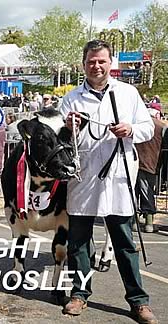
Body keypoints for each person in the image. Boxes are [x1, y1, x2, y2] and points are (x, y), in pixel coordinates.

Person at [60, 40, 158, 324]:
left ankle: (138, 301)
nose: (96, 66)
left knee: (125, 242)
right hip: (85, 176)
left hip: (118, 176)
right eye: (91, 61)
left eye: (102, 61)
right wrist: (68, 127)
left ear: (110, 63)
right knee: (79, 242)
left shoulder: (128, 93)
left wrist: (130, 129)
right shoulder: (71, 98)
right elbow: (58, 137)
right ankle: (79, 293)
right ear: (83, 64)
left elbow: (148, 128)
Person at [135, 116, 165, 233]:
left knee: (133, 192)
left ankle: (134, 221)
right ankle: (149, 223)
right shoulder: (161, 127)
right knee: (147, 192)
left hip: (134, 161)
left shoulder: (135, 123)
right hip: (151, 163)